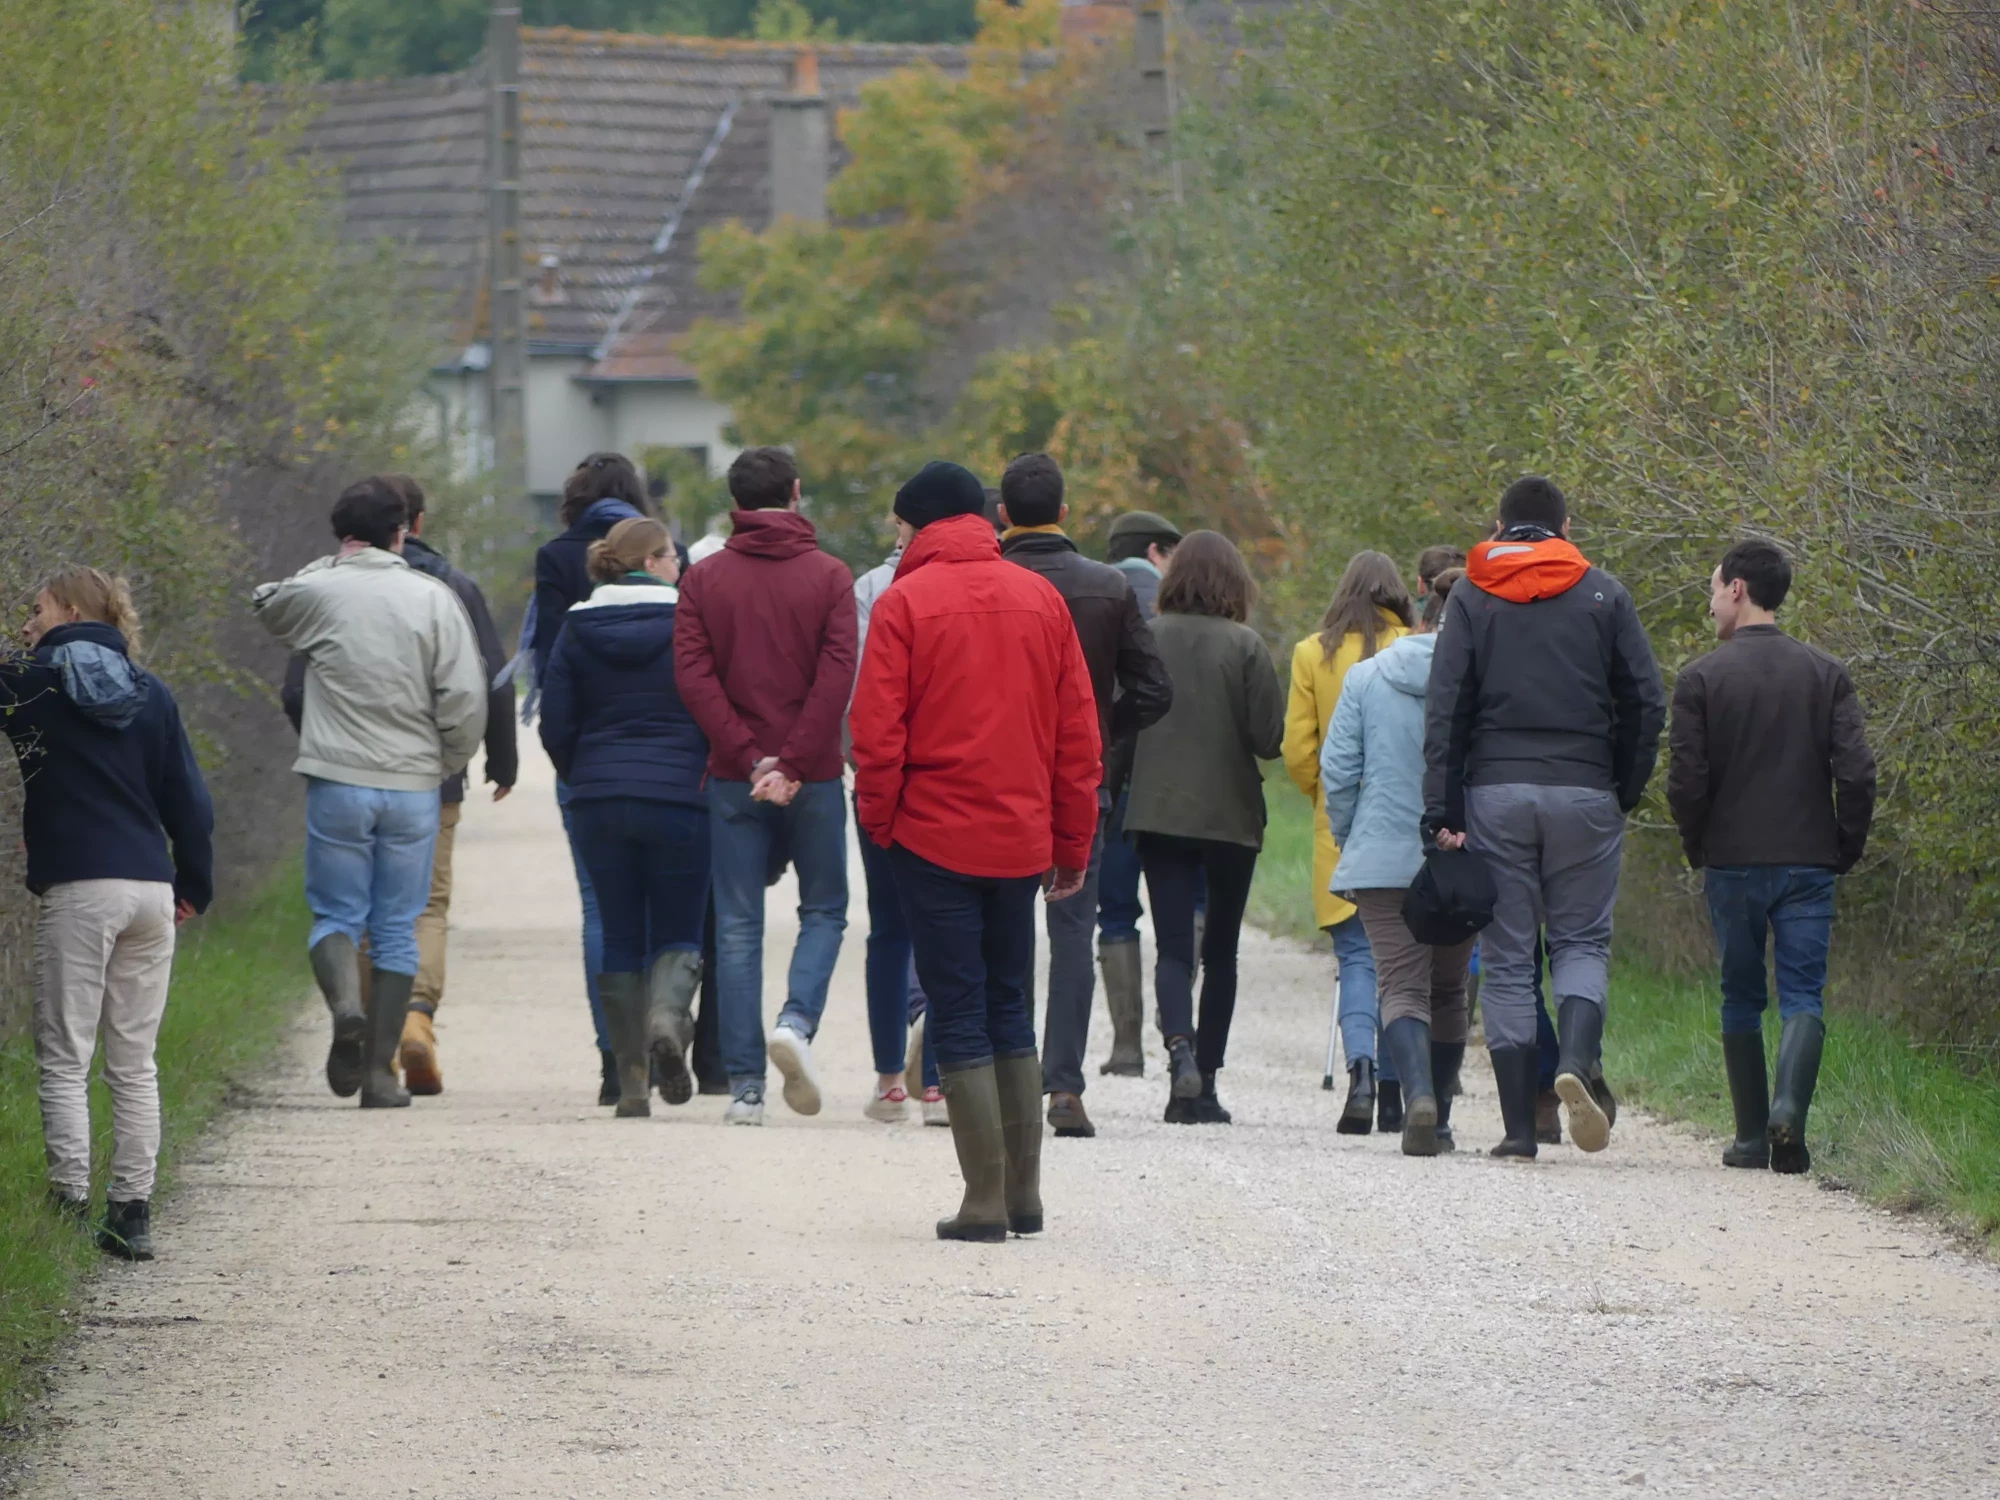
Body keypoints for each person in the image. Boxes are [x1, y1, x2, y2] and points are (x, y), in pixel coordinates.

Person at [850, 460, 1099, 1240]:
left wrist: (881, 821)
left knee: (956, 1007)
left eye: (900, 525)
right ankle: (1024, 1197)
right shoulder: (1041, 599)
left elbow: (876, 734)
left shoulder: (905, 603)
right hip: (1021, 837)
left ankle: (983, 1200)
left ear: (921, 526)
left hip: (933, 834)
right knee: (1008, 1003)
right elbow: (1076, 739)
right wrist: (1071, 844)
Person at [1424, 476, 1665, 1158]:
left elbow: (1447, 708)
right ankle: (1576, 1061)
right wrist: (1623, 784)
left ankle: (1518, 1132)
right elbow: (1646, 699)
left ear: (1498, 524)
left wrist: (1441, 809)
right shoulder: (1604, 593)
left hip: (1496, 792)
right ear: (1567, 523)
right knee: (1582, 942)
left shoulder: (1470, 595)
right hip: (1586, 789)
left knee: (1505, 960)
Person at [253, 478, 486, 1111]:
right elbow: (466, 695)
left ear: (341, 536)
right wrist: (448, 760)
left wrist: (328, 565)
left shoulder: (320, 590)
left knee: (336, 916)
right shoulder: (433, 598)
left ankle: (346, 1010)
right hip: (413, 786)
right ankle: (381, 1076)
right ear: (404, 532)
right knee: (397, 927)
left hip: (338, 779)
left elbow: (268, 604)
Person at [3, 567, 213, 1262]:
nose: (26, 624)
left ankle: (67, 1203)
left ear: (67, 609)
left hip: (81, 890)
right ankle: (132, 1213)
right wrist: (195, 886)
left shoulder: (30, 684)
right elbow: (190, 802)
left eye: (35, 610)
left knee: (65, 1057)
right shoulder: (152, 694)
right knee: (134, 1061)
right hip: (151, 890)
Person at [1667, 538, 1875, 1174]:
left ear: (1736, 589)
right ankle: (1789, 1112)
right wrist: (1845, 844)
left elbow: (1685, 781)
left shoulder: (1701, 678)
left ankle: (1753, 1137)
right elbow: (1859, 774)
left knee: (1739, 994)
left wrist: (1698, 842)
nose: (1709, 604)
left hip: (1732, 861)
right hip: (1809, 860)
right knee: (1804, 993)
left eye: (1712, 589)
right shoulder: (1825, 673)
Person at [675, 446, 856, 1126]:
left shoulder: (704, 580)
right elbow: (836, 678)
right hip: (810, 778)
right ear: (797, 493)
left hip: (733, 779)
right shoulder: (830, 576)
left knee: (739, 923)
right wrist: (794, 762)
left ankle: (746, 1086)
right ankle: (797, 1021)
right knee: (825, 910)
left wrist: (752, 759)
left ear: (736, 502)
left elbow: (694, 678)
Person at [998, 453, 1173, 1139]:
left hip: (998, 780)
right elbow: (1155, 689)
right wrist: (1101, 734)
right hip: (1080, 782)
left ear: (1004, 515)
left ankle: (997, 1077)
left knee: (1001, 929)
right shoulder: (1106, 586)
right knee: (1073, 934)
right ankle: (1063, 1087)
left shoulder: (990, 580)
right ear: (1065, 512)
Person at [539, 518, 712, 1118]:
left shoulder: (577, 625)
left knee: (617, 931)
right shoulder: (690, 623)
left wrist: (581, 772)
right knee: (679, 927)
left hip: (599, 797)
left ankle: (632, 1083)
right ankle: (667, 1017)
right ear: (655, 561)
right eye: (673, 557)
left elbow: (555, 720)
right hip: (680, 794)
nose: (680, 566)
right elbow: (713, 704)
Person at [1125, 532, 1286, 1124]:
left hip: (1158, 812)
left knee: (1171, 948)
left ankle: (1179, 1057)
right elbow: (1269, 739)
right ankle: (1208, 1085)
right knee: (1220, 953)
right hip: (1229, 818)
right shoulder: (1245, 645)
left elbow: (1123, 721)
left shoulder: (1148, 637)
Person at [1321, 569, 1471, 1155]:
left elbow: (1339, 770)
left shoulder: (1366, 677)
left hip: (1382, 855)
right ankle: (1443, 1114)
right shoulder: (1481, 683)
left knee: (1400, 986)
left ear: (1420, 616)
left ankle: (1418, 1098)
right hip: (1459, 856)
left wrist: (1349, 833)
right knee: (1450, 989)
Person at [533, 452, 654, 1105]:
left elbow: (550, 660)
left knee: (598, 907)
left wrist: (567, 761)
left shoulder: (556, 558)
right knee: (662, 906)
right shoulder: (666, 553)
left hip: (587, 756)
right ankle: (661, 1038)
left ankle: (615, 1058)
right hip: (665, 759)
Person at [1281, 551, 1415, 1135]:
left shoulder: (1312, 652)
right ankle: (1393, 1087)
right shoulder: (1418, 646)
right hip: (1407, 822)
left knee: (1358, 956)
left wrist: (1325, 798)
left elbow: (1298, 750)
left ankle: (1359, 1071)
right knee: (1404, 961)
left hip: (1340, 824)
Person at [851, 509, 946, 1126]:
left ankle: (890, 1080)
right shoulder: (985, 586)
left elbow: (863, 690)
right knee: (950, 927)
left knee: (888, 931)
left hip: (883, 777)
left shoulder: (868, 589)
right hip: (952, 783)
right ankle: (937, 1083)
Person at [1096, 510, 1184, 1074]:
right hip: (1176, 788)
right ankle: (1181, 1030)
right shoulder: (1184, 605)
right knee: (1184, 911)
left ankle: (1126, 1047)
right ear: (1157, 551)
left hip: (1116, 780)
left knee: (1117, 914)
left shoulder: (1095, 599)